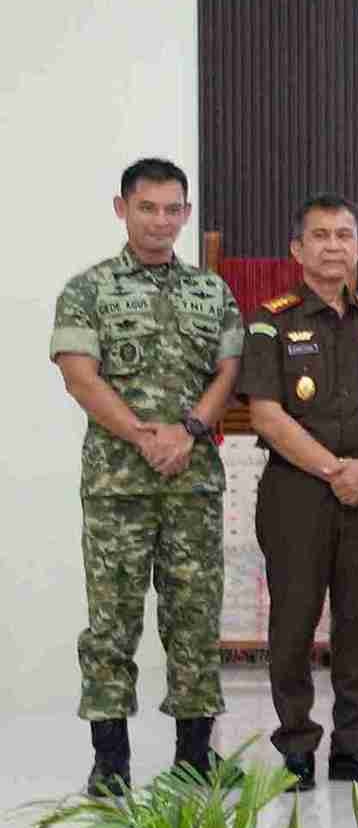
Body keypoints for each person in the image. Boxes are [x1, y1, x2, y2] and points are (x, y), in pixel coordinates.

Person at [50, 158, 243, 794]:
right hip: (118, 487)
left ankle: (194, 758)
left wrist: (187, 431)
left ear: (186, 213)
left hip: (193, 483)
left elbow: (229, 372)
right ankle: (111, 764)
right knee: (111, 622)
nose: (161, 221)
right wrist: (143, 436)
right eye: (147, 208)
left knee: (194, 618)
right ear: (122, 209)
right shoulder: (88, 290)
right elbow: (80, 377)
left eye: (171, 209)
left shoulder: (212, 292)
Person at [240, 194, 358, 790]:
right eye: (320, 235)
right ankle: (295, 746)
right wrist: (337, 470)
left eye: (343, 235)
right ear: (297, 249)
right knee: (294, 619)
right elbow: (266, 415)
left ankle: (355, 744)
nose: (333, 246)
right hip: (297, 491)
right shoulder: (271, 321)